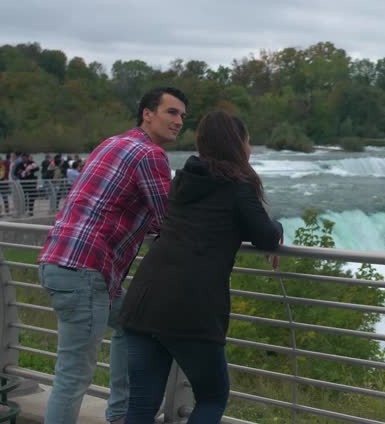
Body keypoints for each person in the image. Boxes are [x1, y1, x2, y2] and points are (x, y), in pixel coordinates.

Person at [37, 87, 188, 424]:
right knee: (73, 377)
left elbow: (123, 206)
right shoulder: (150, 155)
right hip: (86, 270)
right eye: (171, 112)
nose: (179, 122)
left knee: (132, 322)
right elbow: (169, 217)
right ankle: (121, 412)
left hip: (61, 260)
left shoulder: (112, 143)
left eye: (182, 116)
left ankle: (121, 413)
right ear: (147, 113)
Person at [120, 111, 283, 423]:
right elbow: (266, 235)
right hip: (192, 309)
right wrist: (275, 226)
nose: (250, 148)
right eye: (248, 141)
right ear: (237, 145)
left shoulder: (184, 180)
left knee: (142, 405)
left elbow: (213, 221)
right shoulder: (238, 187)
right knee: (211, 398)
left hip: (144, 300)